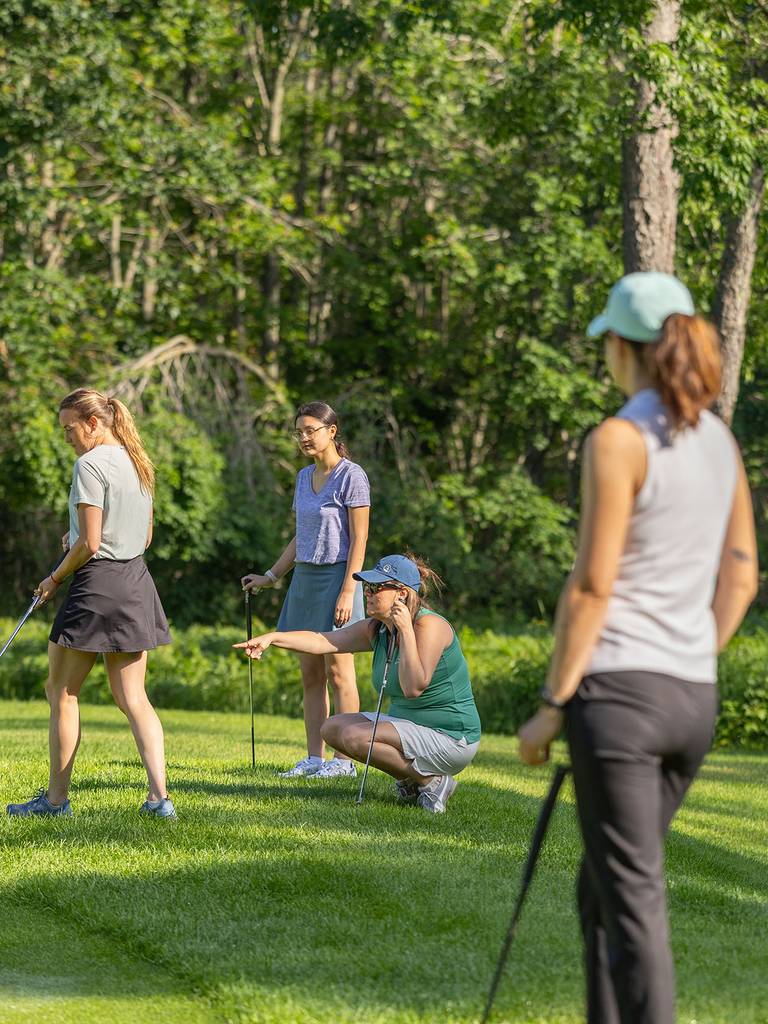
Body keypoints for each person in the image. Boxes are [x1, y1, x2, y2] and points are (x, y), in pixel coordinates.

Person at [517, 272, 758, 1024]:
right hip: (692, 698)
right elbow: (743, 573)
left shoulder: (618, 439)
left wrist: (552, 705)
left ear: (624, 347)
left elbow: (592, 586)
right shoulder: (720, 440)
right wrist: (694, 652)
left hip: (620, 700)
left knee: (634, 896)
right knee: (605, 885)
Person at [6, 388, 175, 819]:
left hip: (96, 585)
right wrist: (79, 541)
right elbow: (144, 536)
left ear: (93, 423)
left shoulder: (89, 464)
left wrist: (54, 577)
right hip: (135, 581)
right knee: (133, 697)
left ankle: (56, 802)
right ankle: (161, 800)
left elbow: (92, 542)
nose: (68, 438)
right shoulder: (139, 462)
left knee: (61, 691)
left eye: (70, 429)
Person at [236, 553, 481, 813]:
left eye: (376, 587)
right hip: (411, 728)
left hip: (451, 738)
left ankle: (431, 781)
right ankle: (412, 780)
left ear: (402, 594)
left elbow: (413, 688)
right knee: (331, 728)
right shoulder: (377, 628)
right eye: (367, 586)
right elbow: (322, 641)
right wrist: (273, 638)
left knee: (354, 736)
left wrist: (406, 631)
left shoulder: (429, 626)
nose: (368, 593)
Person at [241, 401, 370, 779]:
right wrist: (271, 575)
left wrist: (349, 589)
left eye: (310, 430)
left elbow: (360, 539)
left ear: (331, 431)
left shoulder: (352, 476)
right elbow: (303, 536)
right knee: (310, 674)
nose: (303, 437)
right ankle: (315, 758)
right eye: (299, 431)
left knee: (340, 672)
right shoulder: (303, 477)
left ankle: (344, 761)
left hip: (338, 578)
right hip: (305, 580)